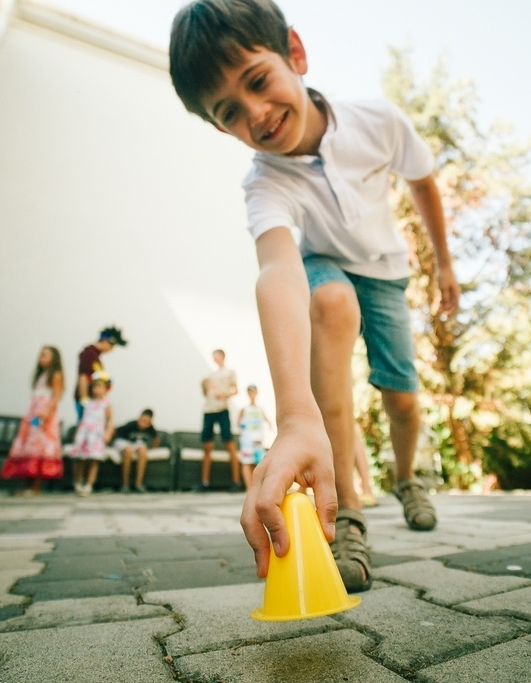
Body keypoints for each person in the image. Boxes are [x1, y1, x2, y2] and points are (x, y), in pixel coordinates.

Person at [169, 0, 460, 592]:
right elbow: (277, 268)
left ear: (294, 54)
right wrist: (294, 415)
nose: (257, 112)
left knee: (402, 398)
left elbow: (423, 181)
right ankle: (347, 512)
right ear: (220, 126)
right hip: (322, 263)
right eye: (231, 112)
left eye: (259, 81)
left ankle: (407, 479)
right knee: (329, 304)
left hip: (385, 269)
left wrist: (445, 266)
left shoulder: (377, 121)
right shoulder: (265, 183)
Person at [0, 346, 65, 495]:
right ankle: (28, 484)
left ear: (53, 359)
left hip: (44, 415)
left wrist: (47, 412)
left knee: (40, 446)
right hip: (34, 415)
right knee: (30, 445)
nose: (41, 358)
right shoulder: (41, 376)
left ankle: (35, 486)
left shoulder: (55, 375)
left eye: (45, 355)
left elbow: (56, 396)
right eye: (41, 355)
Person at [194, 349, 242, 492]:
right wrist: (203, 386)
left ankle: (236, 481)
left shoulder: (229, 372)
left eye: (216, 355)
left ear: (222, 356)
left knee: (229, 444)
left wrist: (225, 395)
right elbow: (206, 393)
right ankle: (204, 482)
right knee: (207, 446)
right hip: (209, 411)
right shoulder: (210, 375)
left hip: (222, 410)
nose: (214, 358)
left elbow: (236, 390)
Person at [67, 372, 113, 496]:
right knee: (80, 459)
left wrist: (108, 433)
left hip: (96, 434)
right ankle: (78, 481)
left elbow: (110, 420)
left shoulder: (106, 403)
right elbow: (82, 418)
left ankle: (89, 484)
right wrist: (77, 432)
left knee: (94, 459)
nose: (97, 389)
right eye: (94, 386)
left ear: (106, 389)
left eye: (100, 386)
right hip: (84, 433)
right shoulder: (87, 402)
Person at [73, 326, 126, 422]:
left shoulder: (95, 355)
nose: (112, 349)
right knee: (85, 427)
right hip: (87, 400)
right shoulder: (90, 354)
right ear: (106, 341)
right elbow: (83, 377)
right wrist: (85, 400)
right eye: (112, 346)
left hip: (93, 401)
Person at [112, 408, 159, 493]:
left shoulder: (151, 428)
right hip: (123, 441)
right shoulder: (131, 424)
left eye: (146, 422)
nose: (142, 423)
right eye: (141, 420)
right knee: (128, 450)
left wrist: (154, 448)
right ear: (139, 418)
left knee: (143, 450)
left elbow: (156, 438)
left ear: (150, 422)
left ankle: (138, 484)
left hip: (135, 443)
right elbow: (115, 431)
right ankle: (125, 485)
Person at [236, 384, 272, 490]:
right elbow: (238, 422)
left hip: (258, 441)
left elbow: (267, 421)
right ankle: (249, 488)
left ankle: (256, 488)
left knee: (257, 464)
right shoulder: (244, 409)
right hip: (247, 441)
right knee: (247, 462)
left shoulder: (260, 409)